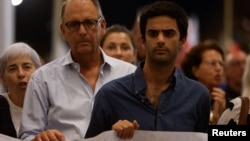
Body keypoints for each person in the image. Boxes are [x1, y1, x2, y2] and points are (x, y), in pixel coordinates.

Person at [85, 1, 210, 139]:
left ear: (182, 40)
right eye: (153, 33)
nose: (160, 40)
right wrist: (110, 136)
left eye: (169, 34)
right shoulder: (110, 95)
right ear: (143, 40)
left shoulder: (198, 96)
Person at [18, 0, 136, 141]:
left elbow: (147, 128)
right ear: (63, 31)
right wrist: (38, 139)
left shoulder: (130, 75)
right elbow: (27, 134)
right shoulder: (42, 79)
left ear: (102, 26)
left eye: (89, 23)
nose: (82, 31)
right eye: (73, 24)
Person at [0, 42, 41, 138]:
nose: (21, 74)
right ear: (2, 78)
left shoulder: (51, 106)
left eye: (27, 67)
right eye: (12, 69)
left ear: (39, 73)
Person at [181, 39, 226, 125]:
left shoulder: (225, 103)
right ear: (195, 70)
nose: (218, 68)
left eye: (221, 64)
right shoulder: (184, 102)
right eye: (213, 63)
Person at [217, 55, 250, 125]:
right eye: (237, 63)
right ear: (226, 70)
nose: (242, 67)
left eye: (244, 63)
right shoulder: (220, 96)